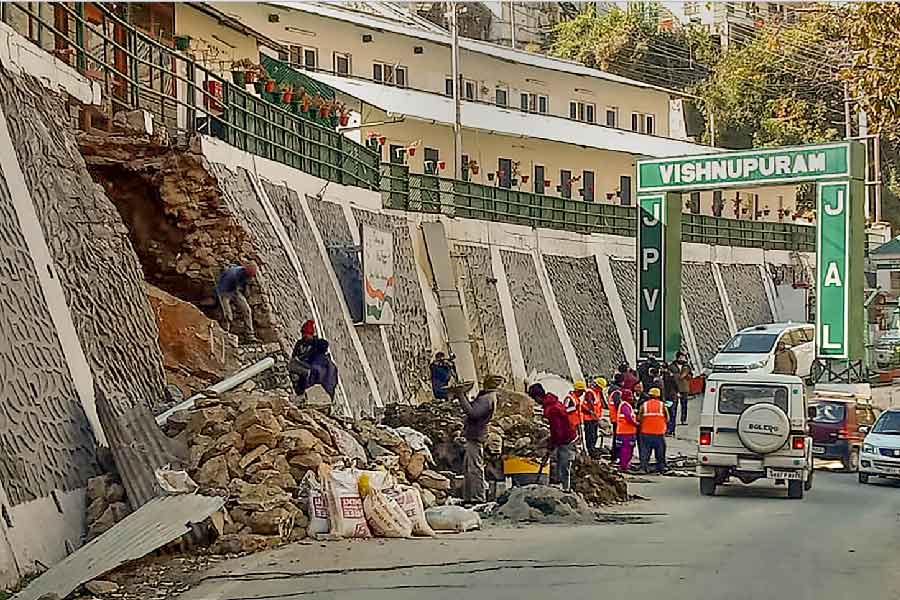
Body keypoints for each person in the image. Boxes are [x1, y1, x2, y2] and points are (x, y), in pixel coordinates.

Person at [456, 375, 502, 505]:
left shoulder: (487, 398)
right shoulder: (487, 397)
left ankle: (477, 498)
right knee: (469, 467)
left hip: (476, 435)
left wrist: (460, 396)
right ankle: (469, 497)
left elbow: (473, 413)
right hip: (475, 435)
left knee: (474, 468)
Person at [528, 383, 577, 491]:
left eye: (535, 399)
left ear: (537, 397)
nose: (536, 402)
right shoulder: (553, 403)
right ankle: (561, 485)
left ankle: (565, 489)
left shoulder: (552, 409)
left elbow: (557, 430)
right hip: (565, 437)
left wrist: (552, 444)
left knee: (564, 464)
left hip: (566, 439)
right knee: (560, 462)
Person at [290, 320, 339, 399]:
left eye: (307, 334)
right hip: (303, 367)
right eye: (304, 334)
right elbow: (294, 356)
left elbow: (324, 345)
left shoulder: (316, 344)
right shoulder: (299, 344)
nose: (305, 336)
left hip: (311, 368)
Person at [216, 263, 258, 341]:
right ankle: (225, 335)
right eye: (249, 276)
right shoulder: (233, 275)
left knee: (247, 310)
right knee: (228, 315)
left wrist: (244, 290)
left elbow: (243, 287)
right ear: (245, 272)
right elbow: (222, 289)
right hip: (224, 291)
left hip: (234, 290)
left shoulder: (245, 275)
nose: (250, 278)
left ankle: (250, 335)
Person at [638, 387, 669, 474]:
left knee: (645, 451)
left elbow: (639, 418)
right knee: (660, 451)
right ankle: (661, 467)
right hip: (659, 433)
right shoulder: (662, 405)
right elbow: (668, 418)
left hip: (645, 432)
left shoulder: (644, 405)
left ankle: (643, 467)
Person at [615, 389, 639, 472]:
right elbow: (628, 417)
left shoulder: (625, 405)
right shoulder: (625, 406)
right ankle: (624, 466)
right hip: (626, 432)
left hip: (625, 431)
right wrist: (636, 424)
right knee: (626, 450)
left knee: (625, 450)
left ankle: (625, 464)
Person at [582, 378, 604, 457]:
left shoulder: (597, 392)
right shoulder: (590, 393)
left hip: (594, 418)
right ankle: (591, 451)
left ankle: (593, 449)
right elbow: (590, 404)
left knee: (595, 435)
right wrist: (593, 413)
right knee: (590, 436)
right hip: (589, 418)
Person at [565, 382, 587, 453]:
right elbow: (565, 410)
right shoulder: (569, 398)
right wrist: (574, 408)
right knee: (572, 440)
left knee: (578, 439)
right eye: (581, 392)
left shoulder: (577, 398)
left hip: (577, 422)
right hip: (570, 423)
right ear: (577, 390)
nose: (582, 394)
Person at [673, 351, 694, 426]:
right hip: (674, 387)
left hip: (684, 388)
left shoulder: (687, 366)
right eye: (680, 357)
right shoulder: (672, 366)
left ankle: (683, 419)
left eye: (683, 357)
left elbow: (691, 375)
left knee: (684, 405)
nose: (682, 359)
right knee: (674, 406)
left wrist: (688, 376)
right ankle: (673, 421)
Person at [607, 374, 623, 462]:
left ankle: (614, 455)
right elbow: (618, 405)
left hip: (614, 417)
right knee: (617, 438)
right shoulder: (616, 392)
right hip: (617, 418)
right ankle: (615, 455)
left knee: (616, 437)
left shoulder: (612, 390)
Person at [663, 363, 679, 436]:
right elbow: (676, 387)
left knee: (668, 413)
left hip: (668, 397)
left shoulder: (665, 377)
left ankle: (668, 429)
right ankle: (671, 430)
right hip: (673, 397)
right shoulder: (673, 378)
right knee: (672, 414)